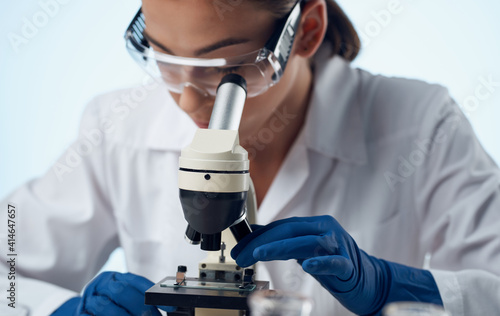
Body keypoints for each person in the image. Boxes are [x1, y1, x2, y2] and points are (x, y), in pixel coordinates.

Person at [1, 0, 499, 315]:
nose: (190, 102)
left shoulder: (421, 123)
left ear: (305, 32)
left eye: (224, 67)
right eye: (167, 61)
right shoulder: (118, 128)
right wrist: (61, 311)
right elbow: (7, 262)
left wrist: (395, 286)